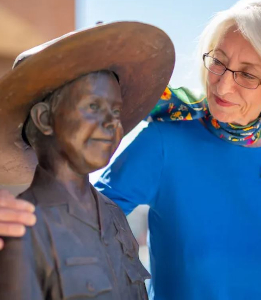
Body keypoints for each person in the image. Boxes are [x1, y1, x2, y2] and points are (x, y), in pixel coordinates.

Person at [1, 0, 261, 299]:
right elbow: (75, 218)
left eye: (247, 75)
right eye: (219, 62)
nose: (222, 87)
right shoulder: (163, 143)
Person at [0, 22, 175, 300]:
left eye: (116, 111)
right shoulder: (24, 226)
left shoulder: (113, 215)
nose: (111, 123)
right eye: (93, 107)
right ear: (44, 119)